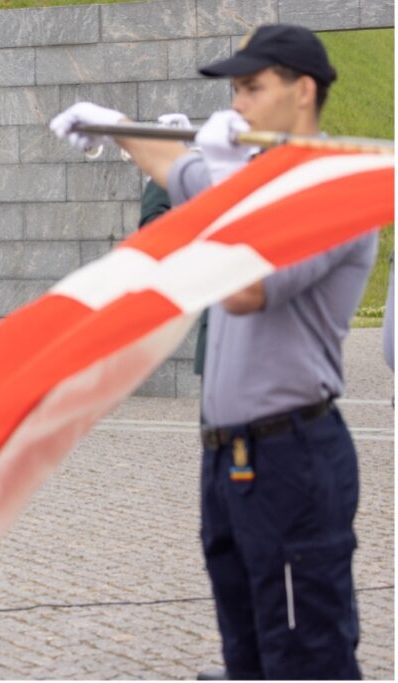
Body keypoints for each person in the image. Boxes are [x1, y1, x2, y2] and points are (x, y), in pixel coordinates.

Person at [50, 24, 375, 679]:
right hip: (229, 458)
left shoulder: (334, 193)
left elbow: (247, 288)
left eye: (252, 88)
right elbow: (175, 168)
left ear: (303, 91)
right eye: (234, 90)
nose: (238, 106)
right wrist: (116, 124)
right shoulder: (247, 180)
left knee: (305, 657)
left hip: (293, 457)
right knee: (247, 651)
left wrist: (227, 186)